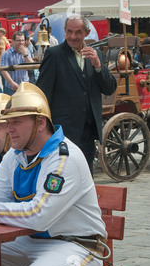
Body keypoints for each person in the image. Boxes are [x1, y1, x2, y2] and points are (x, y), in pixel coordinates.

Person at [0, 82, 108, 266]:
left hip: (78, 246)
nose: (9, 129)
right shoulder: (15, 156)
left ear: (40, 123)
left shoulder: (64, 158)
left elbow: (39, 215)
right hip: (29, 241)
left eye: (16, 122)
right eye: (8, 122)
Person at [36, 15, 117, 172]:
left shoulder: (96, 55)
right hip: (63, 131)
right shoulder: (54, 55)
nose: (73, 37)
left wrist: (98, 66)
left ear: (86, 33)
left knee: (86, 176)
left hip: (89, 131)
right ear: (65, 32)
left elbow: (109, 88)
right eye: (69, 32)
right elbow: (42, 93)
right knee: (63, 176)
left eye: (78, 32)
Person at [0, 31, 34, 95]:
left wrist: (25, 55)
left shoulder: (26, 51)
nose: (21, 43)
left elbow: (31, 67)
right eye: (18, 40)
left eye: (22, 40)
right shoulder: (7, 54)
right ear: (13, 41)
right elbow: (4, 70)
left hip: (24, 86)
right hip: (11, 88)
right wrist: (12, 83)